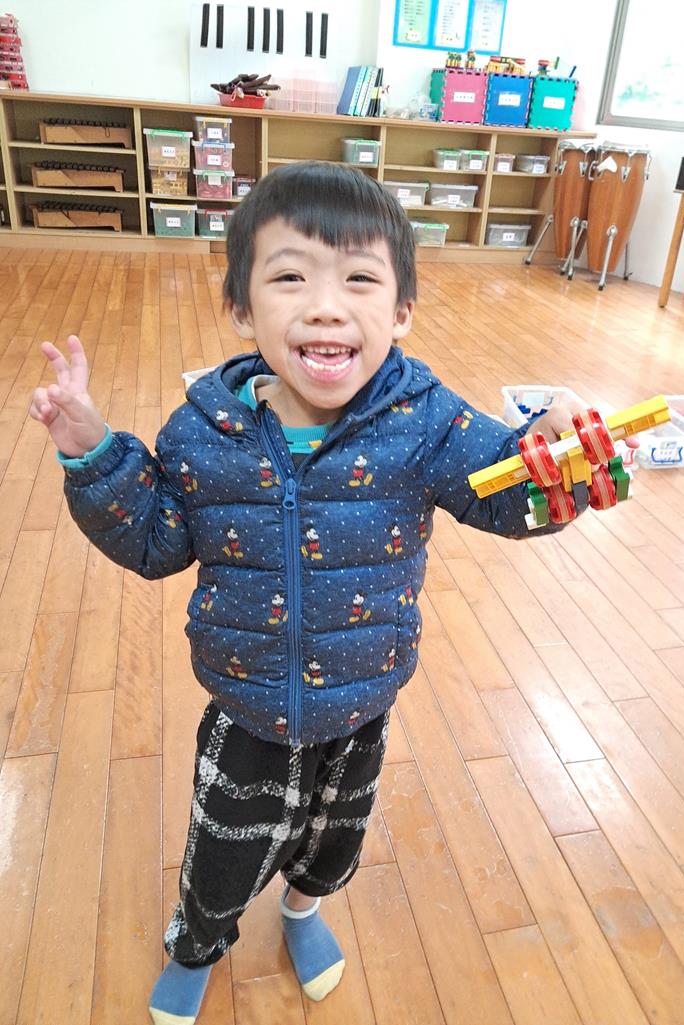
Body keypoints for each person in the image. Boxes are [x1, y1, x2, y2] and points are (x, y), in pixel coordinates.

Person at [29, 161, 594, 1025]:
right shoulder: (203, 430)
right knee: (222, 851)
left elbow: (503, 494)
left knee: (334, 838)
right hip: (246, 702)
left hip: (362, 699)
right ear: (242, 308)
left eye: (359, 279)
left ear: (400, 311)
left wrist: (560, 457)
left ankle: (302, 909)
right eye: (290, 277)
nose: (326, 306)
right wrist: (93, 452)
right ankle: (196, 943)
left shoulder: (425, 419)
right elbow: (155, 540)